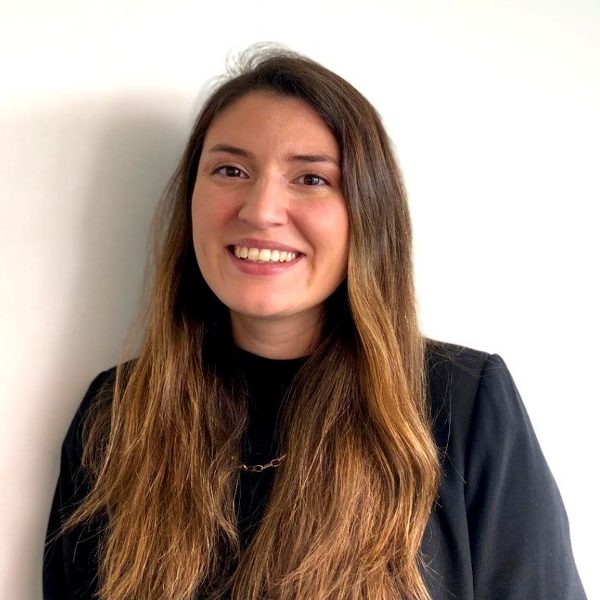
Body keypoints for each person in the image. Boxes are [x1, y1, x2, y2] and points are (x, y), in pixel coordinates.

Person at [43, 46, 587, 600]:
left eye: (311, 178)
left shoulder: (463, 404)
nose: (260, 210)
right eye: (230, 170)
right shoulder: (116, 415)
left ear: (368, 213)